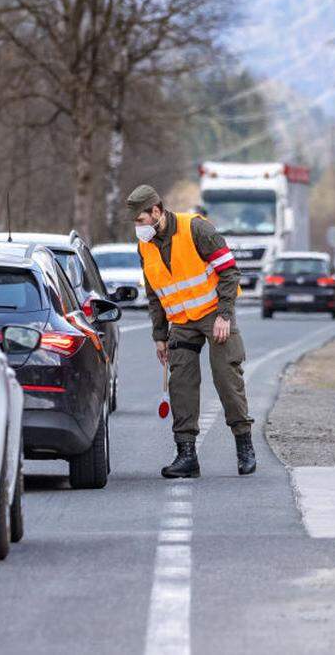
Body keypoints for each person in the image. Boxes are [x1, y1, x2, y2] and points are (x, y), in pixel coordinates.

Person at [129, 184, 255, 478]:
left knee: (227, 377)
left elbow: (229, 271)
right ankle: (187, 456)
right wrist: (159, 335)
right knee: (181, 384)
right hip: (182, 322)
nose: (138, 227)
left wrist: (225, 314)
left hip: (214, 314)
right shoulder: (144, 246)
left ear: (156, 211)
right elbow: (153, 293)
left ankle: (244, 445)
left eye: (140, 220)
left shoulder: (196, 228)